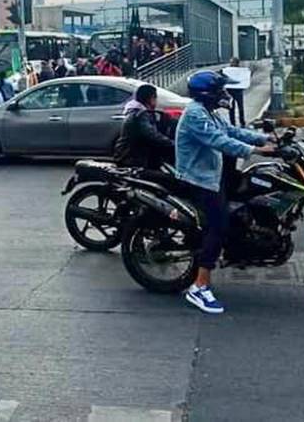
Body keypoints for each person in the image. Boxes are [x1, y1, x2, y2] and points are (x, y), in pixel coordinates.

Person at [175, 71, 276, 315]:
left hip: (213, 174)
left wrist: (266, 138)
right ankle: (199, 288)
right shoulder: (195, 114)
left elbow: (232, 131)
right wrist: (257, 150)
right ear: (207, 94)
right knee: (218, 226)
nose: (225, 94)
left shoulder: (209, 112)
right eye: (220, 90)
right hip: (198, 179)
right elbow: (219, 141)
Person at [115, 84, 178, 171]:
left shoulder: (136, 111)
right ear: (151, 98)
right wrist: (172, 143)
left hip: (128, 155)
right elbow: (151, 134)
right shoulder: (140, 115)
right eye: (155, 98)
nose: (156, 101)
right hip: (133, 158)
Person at [226, 57, 246, 127]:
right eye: (231, 62)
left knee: (240, 107)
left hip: (237, 91)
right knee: (232, 107)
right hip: (231, 91)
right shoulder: (228, 70)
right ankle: (233, 123)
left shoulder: (240, 71)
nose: (231, 64)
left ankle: (242, 122)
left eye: (232, 62)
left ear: (236, 63)